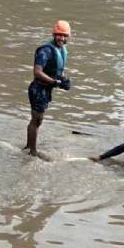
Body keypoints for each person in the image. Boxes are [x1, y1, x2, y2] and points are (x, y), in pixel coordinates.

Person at [23, 20, 72, 157]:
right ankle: (32, 151)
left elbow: (58, 70)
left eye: (64, 36)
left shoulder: (61, 49)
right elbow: (37, 72)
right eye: (59, 35)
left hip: (46, 89)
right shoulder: (46, 50)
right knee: (37, 119)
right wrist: (55, 82)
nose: (62, 38)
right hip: (38, 89)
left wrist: (63, 80)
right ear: (54, 34)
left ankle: (28, 145)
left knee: (37, 120)